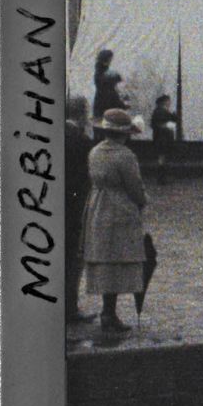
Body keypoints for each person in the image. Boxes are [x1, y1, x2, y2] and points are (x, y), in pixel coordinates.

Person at [83, 108, 148, 336]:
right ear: (125, 134)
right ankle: (110, 314)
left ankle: (107, 311)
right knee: (119, 257)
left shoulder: (95, 152)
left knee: (104, 259)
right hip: (119, 206)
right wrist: (142, 201)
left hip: (98, 204)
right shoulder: (125, 155)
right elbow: (134, 186)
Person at [64, 96, 96, 324]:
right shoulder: (82, 140)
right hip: (74, 209)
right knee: (73, 259)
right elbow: (86, 178)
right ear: (82, 113)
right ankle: (69, 308)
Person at [92, 49, 129, 120]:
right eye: (110, 59)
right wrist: (122, 105)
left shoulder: (100, 73)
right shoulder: (107, 76)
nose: (111, 61)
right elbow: (111, 95)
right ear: (106, 60)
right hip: (107, 108)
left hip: (100, 107)